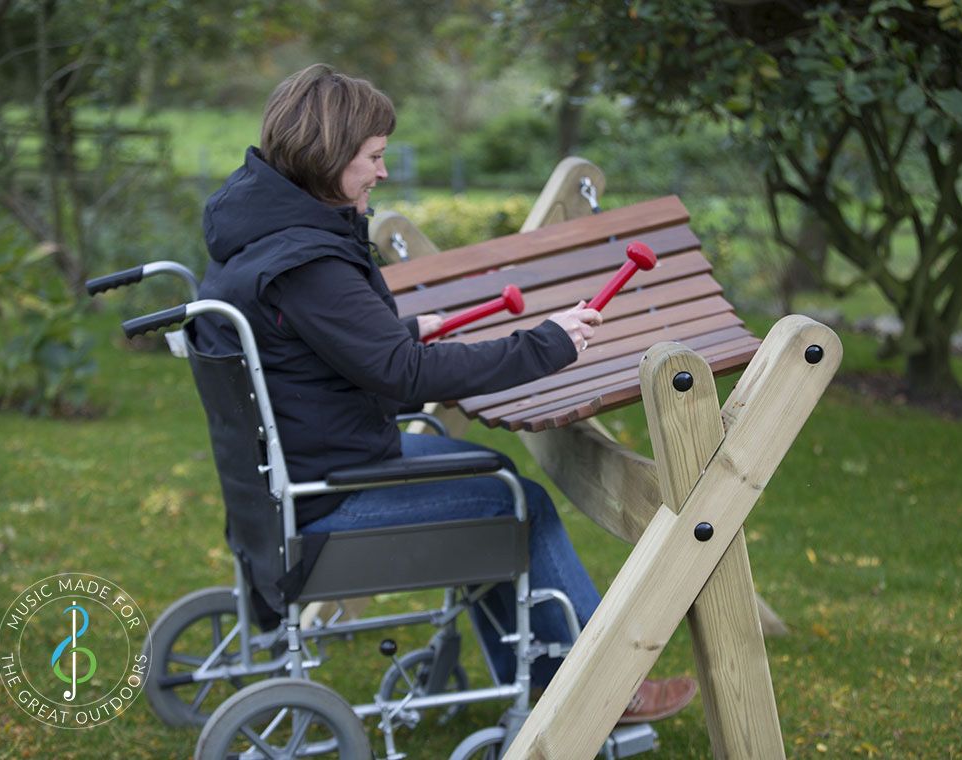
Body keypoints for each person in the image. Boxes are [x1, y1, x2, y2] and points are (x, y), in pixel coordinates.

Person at [194, 63, 696, 725]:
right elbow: (407, 376)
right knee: (517, 504)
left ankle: (545, 676)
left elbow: (309, 347)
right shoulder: (308, 262)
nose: (382, 172)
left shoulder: (256, 238)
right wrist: (548, 343)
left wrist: (391, 330)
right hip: (326, 500)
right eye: (373, 157)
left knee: (493, 486)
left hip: (301, 474)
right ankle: (596, 689)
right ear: (328, 155)